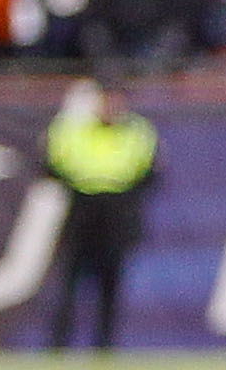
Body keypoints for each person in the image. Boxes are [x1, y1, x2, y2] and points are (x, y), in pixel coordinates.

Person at [45, 81, 160, 349]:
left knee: (111, 282)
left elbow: (148, 172)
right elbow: (54, 164)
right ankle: (58, 345)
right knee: (70, 281)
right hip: (82, 207)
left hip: (117, 211)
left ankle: (104, 347)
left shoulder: (138, 132)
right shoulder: (73, 129)